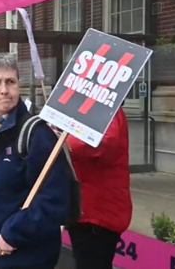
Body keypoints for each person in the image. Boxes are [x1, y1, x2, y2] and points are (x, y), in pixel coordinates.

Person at [0, 53, 70, 269]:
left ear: (19, 84)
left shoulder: (36, 134)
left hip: (23, 256)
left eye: (10, 82)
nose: (4, 90)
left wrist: (15, 233)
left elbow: (55, 201)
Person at [65, 108, 131, 269]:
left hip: (98, 214)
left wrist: (65, 144)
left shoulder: (106, 106)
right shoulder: (84, 106)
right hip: (84, 208)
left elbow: (104, 141)